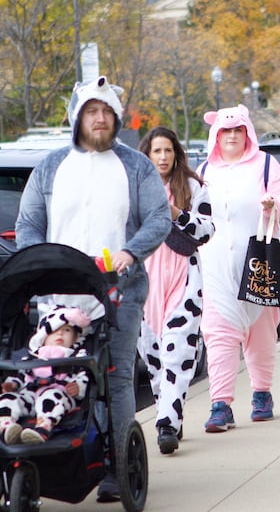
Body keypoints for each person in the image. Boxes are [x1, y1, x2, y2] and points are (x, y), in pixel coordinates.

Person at [15, 76, 172, 502]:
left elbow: (159, 218)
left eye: (106, 112)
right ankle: (49, 458)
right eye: (91, 111)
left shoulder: (135, 166)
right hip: (58, 298)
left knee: (115, 380)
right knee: (48, 375)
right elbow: (29, 223)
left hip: (117, 294)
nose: (99, 119)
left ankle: (116, 467)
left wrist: (130, 252)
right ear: (76, 117)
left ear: (117, 118)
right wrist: (38, 262)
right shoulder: (50, 166)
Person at [198, 104, 280, 434]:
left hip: (259, 263)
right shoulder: (204, 170)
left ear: (247, 133)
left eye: (238, 130)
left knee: (260, 334)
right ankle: (220, 405)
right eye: (226, 131)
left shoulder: (266, 164)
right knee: (218, 335)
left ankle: (261, 394)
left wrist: (273, 204)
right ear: (216, 135)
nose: (232, 136)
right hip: (215, 268)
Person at [137, 127, 215, 455]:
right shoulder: (135, 187)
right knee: (154, 359)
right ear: (148, 154)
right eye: (157, 151)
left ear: (177, 153)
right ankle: (170, 411)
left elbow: (208, 229)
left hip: (183, 278)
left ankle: (166, 422)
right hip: (145, 281)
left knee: (177, 352)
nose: (163, 157)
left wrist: (176, 214)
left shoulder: (193, 186)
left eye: (168, 151)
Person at [0, 306, 92, 445]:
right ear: (43, 336)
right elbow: (21, 375)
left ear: (75, 338)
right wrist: (12, 384)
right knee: (7, 399)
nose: (60, 333)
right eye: (54, 330)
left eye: (66, 330)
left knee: (51, 397)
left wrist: (78, 387)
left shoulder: (76, 356)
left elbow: (84, 376)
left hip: (60, 393)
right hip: (29, 395)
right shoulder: (32, 356)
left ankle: (43, 428)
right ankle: (7, 426)